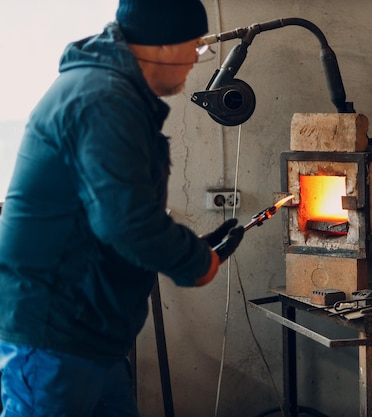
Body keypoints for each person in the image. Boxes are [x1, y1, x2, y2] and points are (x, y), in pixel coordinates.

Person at [0, 0, 244, 415]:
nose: (195, 60)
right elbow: (125, 222)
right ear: (164, 45)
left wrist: (189, 247)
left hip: (92, 331)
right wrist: (194, 262)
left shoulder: (109, 91)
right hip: (54, 334)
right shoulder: (104, 99)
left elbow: (115, 211)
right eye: (196, 46)